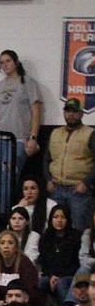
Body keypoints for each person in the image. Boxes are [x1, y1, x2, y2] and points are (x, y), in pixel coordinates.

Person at [0, 49, 44, 209]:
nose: (4, 65)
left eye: (7, 61)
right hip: (0, 138)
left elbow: (36, 110)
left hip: (18, 138)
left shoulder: (27, 82)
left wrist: (33, 137)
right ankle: (0, 212)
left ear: (16, 62)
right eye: (1, 62)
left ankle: (9, 213)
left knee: (10, 177)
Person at [46, 98, 95, 233]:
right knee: (54, 228)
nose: (70, 114)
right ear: (64, 113)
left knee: (80, 229)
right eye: (68, 111)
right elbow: (47, 159)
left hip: (78, 191)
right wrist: (48, 179)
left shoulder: (90, 133)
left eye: (74, 111)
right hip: (56, 189)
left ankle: (82, 254)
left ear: (81, 114)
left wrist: (86, 182)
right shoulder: (55, 133)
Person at [38, 204, 81, 306]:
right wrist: (52, 275)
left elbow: (76, 263)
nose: (59, 220)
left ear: (68, 219)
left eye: (63, 217)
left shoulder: (75, 236)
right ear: (51, 219)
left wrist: (59, 276)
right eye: (56, 217)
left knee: (61, 283)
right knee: (41, 282)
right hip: (50, 275)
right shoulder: (45, 237)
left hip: (70, 275)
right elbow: (43, 262)